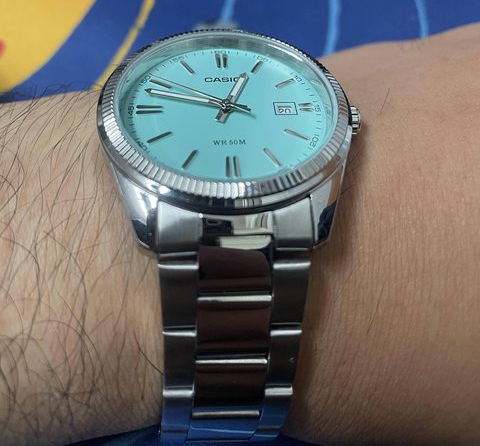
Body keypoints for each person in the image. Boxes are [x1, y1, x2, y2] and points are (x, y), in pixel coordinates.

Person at [0, 23, 479, 446]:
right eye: (224, 103)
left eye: (230, 101)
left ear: (347, 121)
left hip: (293, 195)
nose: (227, 106)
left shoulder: (323, 125)